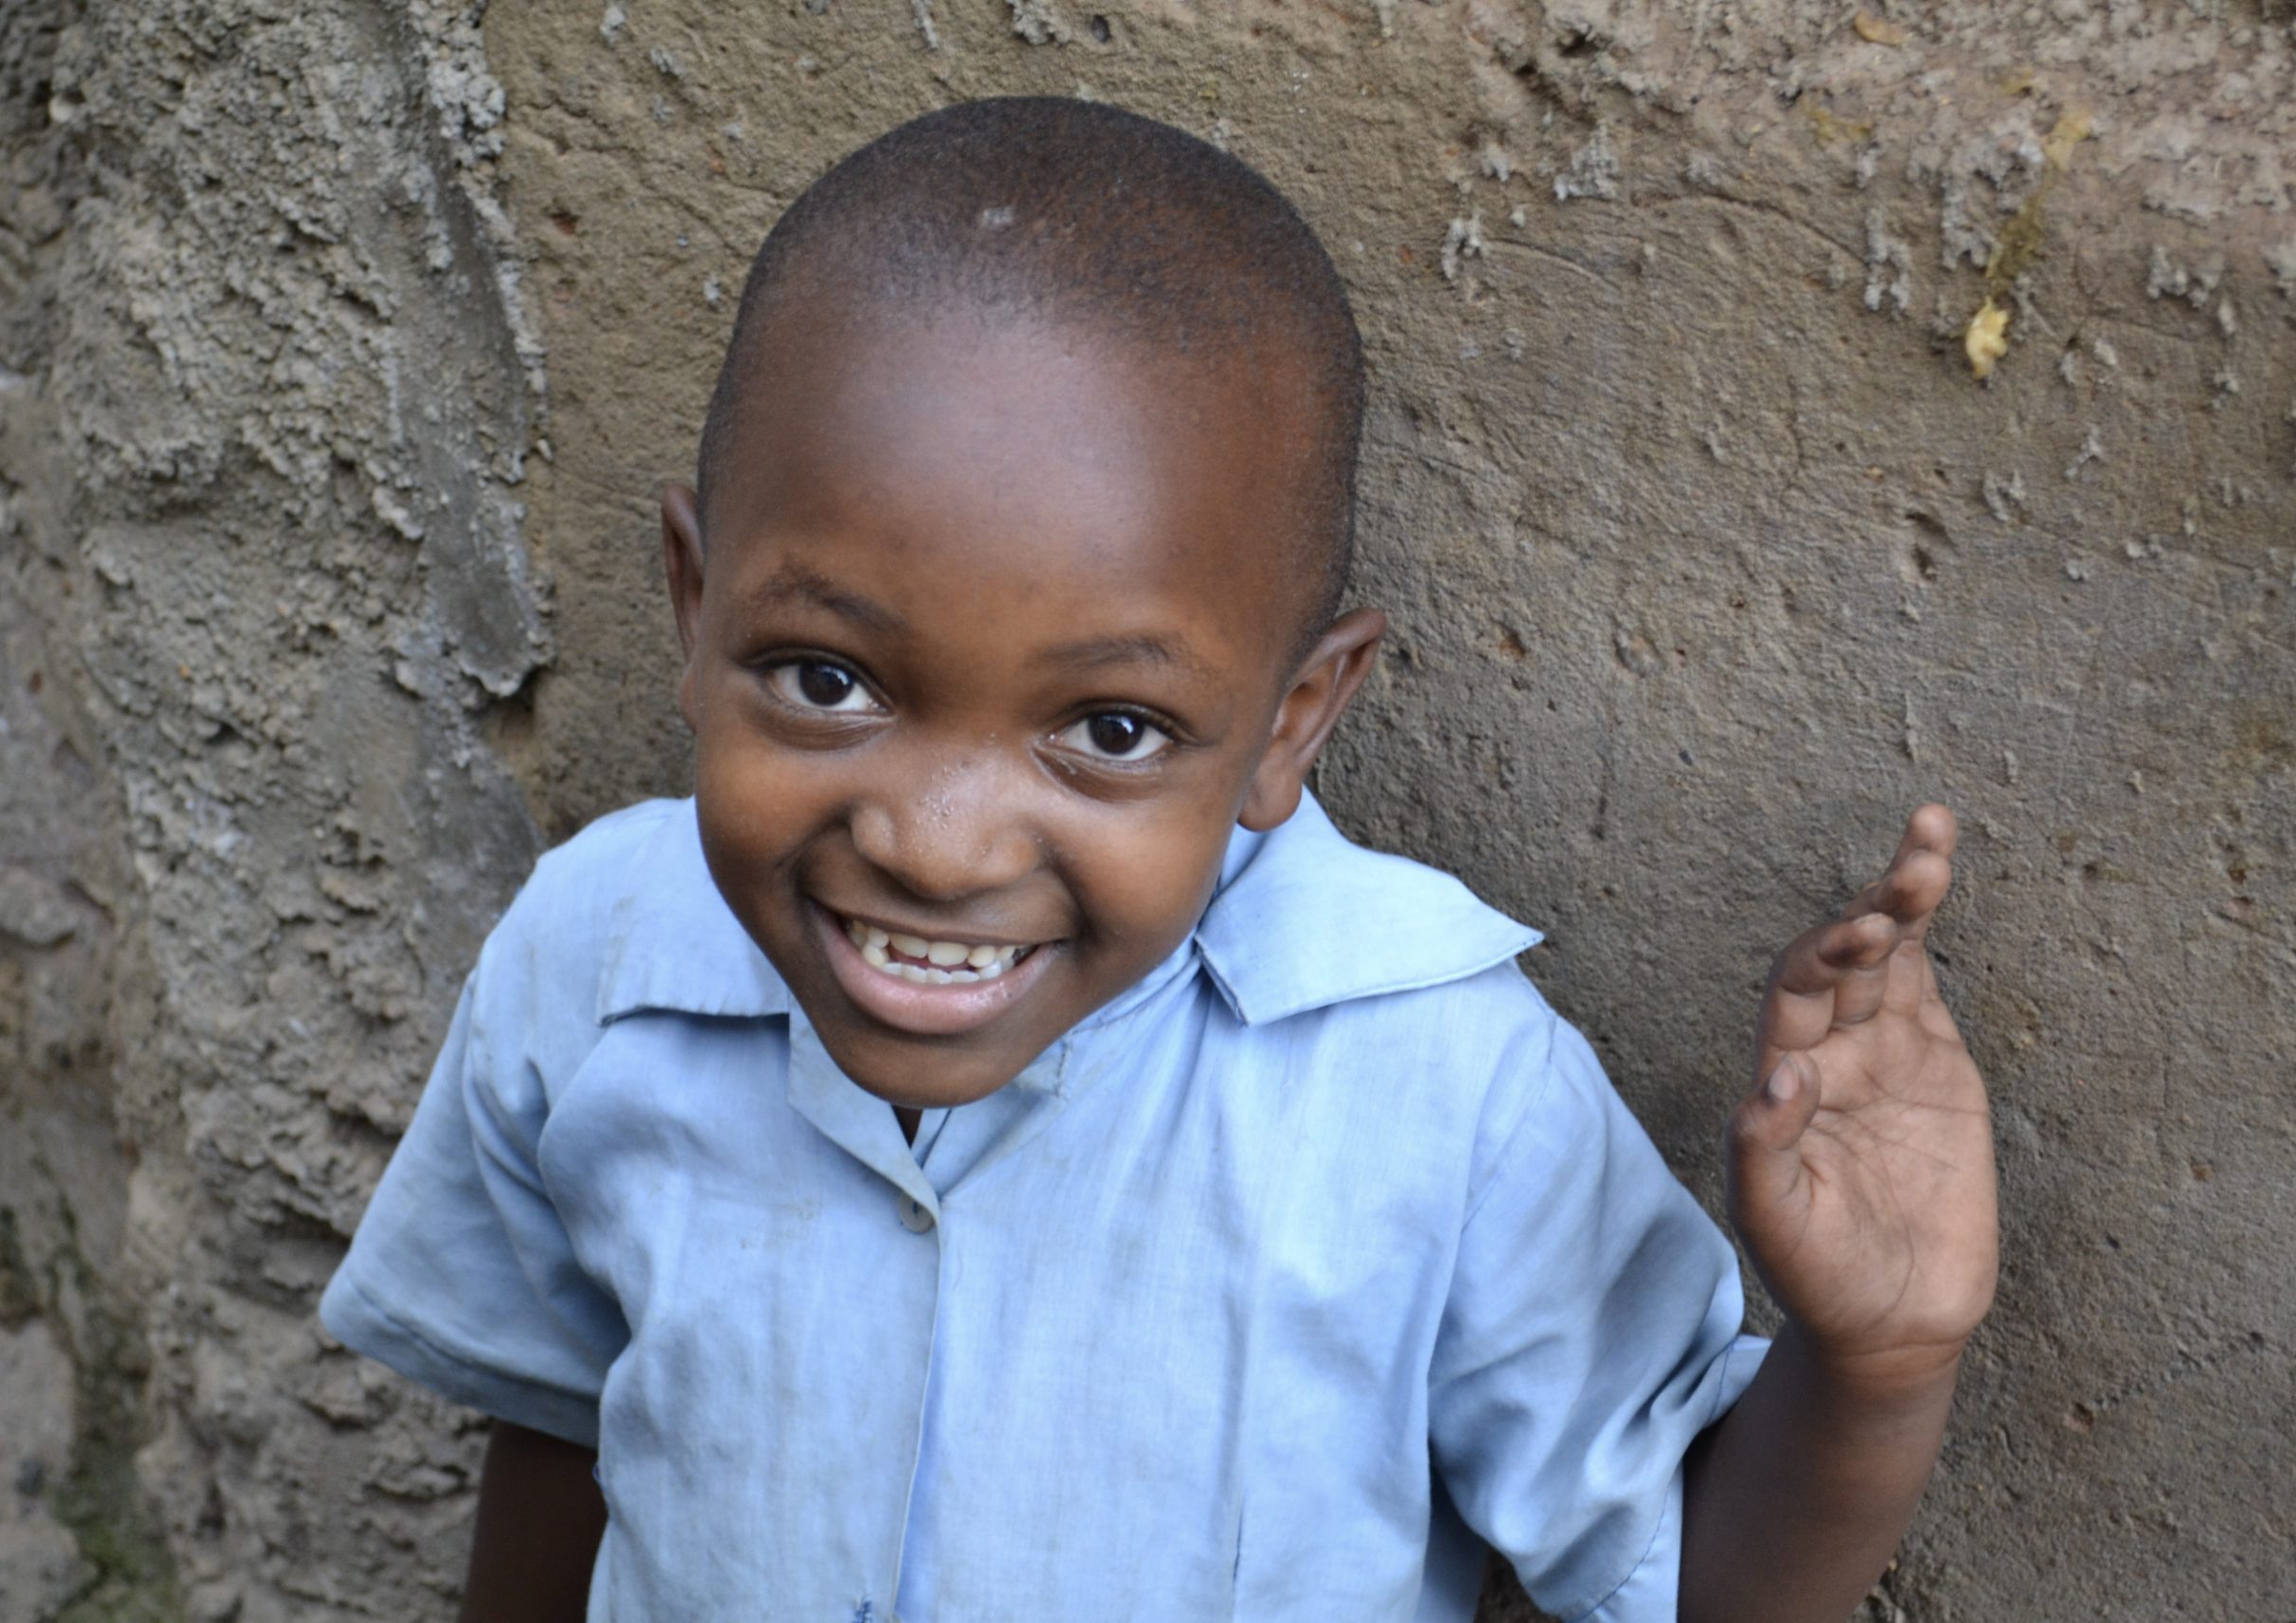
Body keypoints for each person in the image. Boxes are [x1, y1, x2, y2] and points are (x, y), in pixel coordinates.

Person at [319, 97, 1997, 1623]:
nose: (935, 846)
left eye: (1110, 729)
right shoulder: (597, 957)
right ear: (695, 614)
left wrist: (1878, 1364)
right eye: (827, 683)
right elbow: (563, 1429)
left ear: (1291, 721)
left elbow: (1680, 1582)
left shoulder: (1442, 1096)